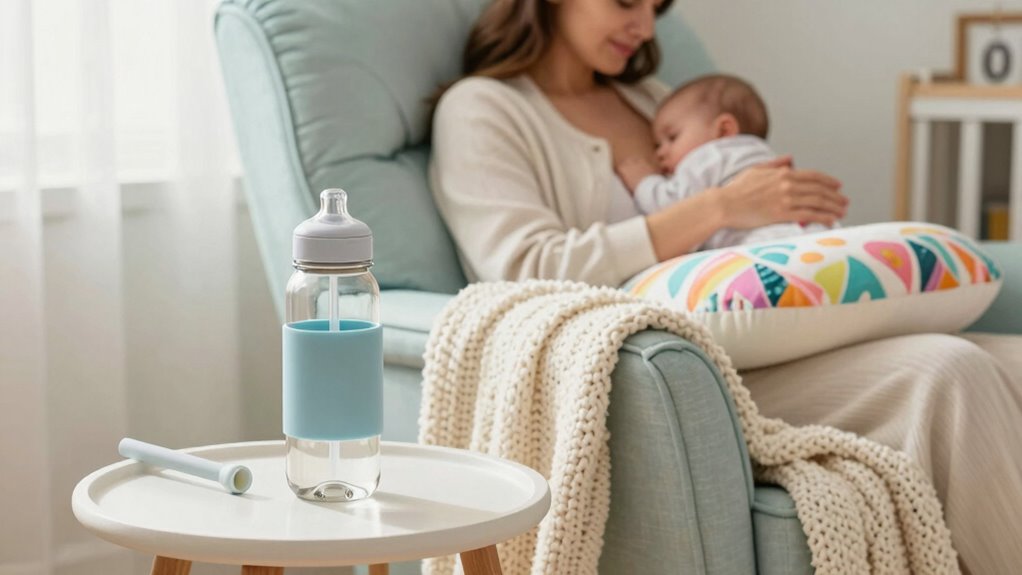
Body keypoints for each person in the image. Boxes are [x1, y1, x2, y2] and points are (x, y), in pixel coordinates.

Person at [428, 0, 1022, 572]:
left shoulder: (651, 100)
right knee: (948, 373)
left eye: (655, 9)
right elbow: (521, 266)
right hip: (671, 365)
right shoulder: (482, 108)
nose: (643, 27)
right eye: (626, 3)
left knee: (1011, 361)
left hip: (762, 331)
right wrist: (718, 206)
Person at [616, 73, 832, 250]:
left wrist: (643, 181)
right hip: (814, 235)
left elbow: (672, 206)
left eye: (672, 137)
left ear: (724, 129)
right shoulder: (760, 153)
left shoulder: (710, 156)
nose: (660, 153)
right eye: (657, 145)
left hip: (764, 244)